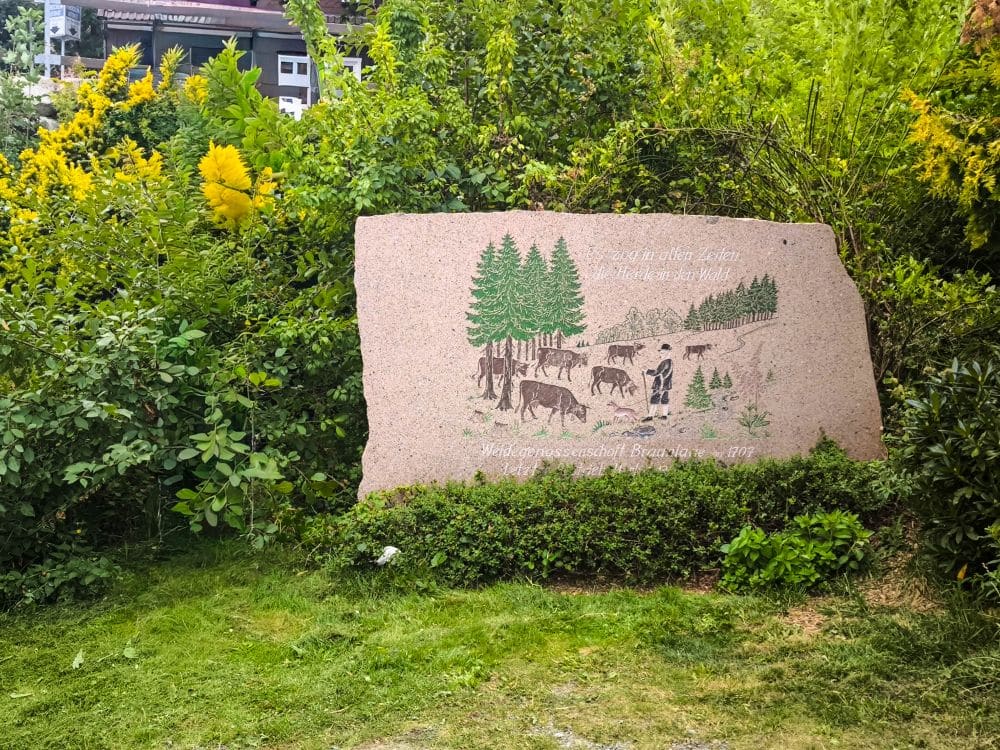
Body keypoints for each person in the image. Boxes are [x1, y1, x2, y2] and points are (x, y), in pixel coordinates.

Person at [644, 343, 673, 421]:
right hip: (666, 385)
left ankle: (650, 416)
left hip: (660, 384)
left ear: (668, 352)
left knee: (654, 399)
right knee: (664, 399)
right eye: (661, 352)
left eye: (663, 352)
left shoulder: (664, 362)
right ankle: (664, 416)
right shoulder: (670, 361)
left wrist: (647, 371)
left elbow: (656, 372)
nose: (661, 354)